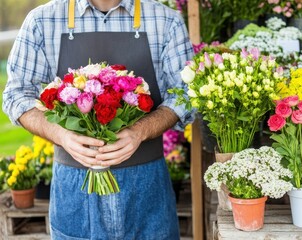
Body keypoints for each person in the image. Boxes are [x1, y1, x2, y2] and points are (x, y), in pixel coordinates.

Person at [2, 0, 194, 239]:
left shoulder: (165, 20)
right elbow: (16, 95)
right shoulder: (42, 21)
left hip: (146, 187)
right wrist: (60, 134)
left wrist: (141, 131)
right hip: (75, 190)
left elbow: (186, 94)